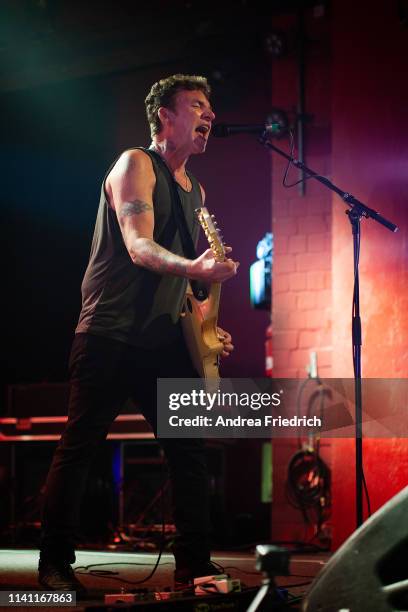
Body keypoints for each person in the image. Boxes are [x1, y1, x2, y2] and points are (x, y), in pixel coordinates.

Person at [38, 74, 239, 595]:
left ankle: (194, 563)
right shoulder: (135, 164)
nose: (209, 115)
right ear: (164, 117)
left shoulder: (197, 191)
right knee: (79, 448)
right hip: (109, 330)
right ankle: (53, 565)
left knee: (189, 449)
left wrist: (207, 326)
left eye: (210, 108)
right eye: (196, 105)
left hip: (162, 338)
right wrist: (195, 271)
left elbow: (183, 279)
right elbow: (140, 247)